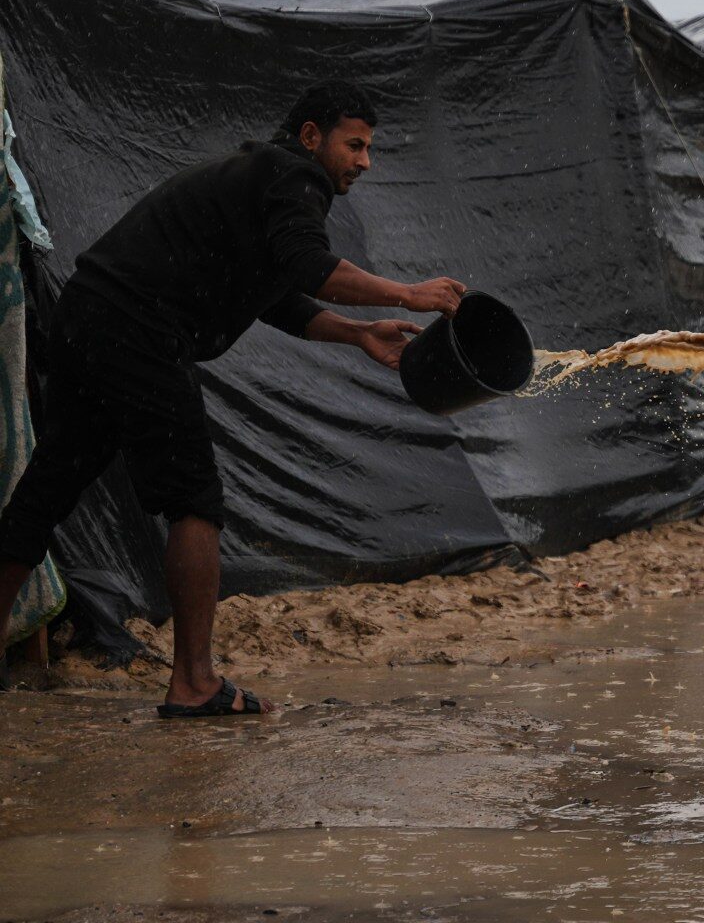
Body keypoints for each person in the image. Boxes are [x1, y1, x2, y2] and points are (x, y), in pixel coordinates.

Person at [0, 80, 467, 714]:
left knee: (47, 489)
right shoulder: (296, 178)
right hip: (138, 328)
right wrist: (407, 294)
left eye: (368, 149)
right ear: (311, 137)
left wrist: (358, 334)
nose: (364, 162)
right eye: (354, 145)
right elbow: (308, 264)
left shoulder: (258, 178)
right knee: (194, 499)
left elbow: (277, 296)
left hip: (91, 317)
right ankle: (194, 683)